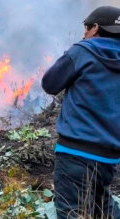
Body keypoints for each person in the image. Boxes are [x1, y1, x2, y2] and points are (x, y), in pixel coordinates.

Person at [42, 6, 120, 219]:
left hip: (75, 154)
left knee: (71, 212)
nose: (84, 33)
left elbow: (49, 83)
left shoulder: (84, 50)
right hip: (109, 159)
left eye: (86, 27)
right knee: (102, 209)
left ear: (96, 28)